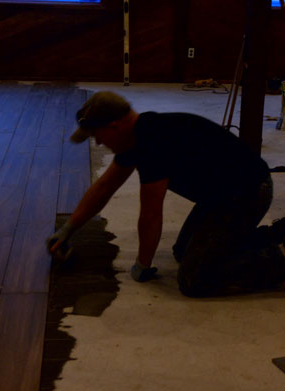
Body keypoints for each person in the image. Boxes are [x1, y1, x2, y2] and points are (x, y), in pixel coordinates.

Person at [47, 91, 285, 297]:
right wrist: (67, 230)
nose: (98, 143)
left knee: (194, 279)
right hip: (220, 197)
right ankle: (274, 235)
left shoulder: (154, 143)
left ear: (114, 126)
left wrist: (142, 265)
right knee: (183, 252)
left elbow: (151, 214)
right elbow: (104, 188)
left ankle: (280, 258)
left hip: (248, 194)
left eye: (97, 135)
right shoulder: (136, 135)